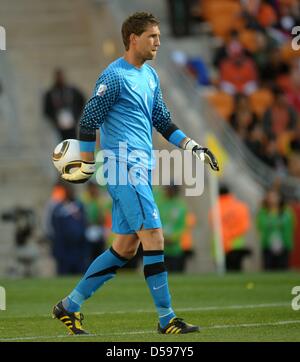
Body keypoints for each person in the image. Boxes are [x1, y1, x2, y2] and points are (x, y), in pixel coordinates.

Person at [52, 12, 219, 335]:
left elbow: (163, 120)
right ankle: (167, 319)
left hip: (140, 168)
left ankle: (68, 306)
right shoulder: (113, 77)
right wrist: (87, 164)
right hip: (123, 167)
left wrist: (194, 148)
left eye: (158, 36)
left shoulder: (150, 76)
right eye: (152, 36)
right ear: (133, 39)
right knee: (154, 237)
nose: (158, 41)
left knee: (126, 248)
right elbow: (88, 120)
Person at [43, 69, 86, 141]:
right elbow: (46, 110)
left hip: (72, 124)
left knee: (72, 142)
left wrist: (76, 115)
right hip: (59, 125)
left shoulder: (72, 90)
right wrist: (54, 121)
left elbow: (81, 101)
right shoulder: (51, 93)